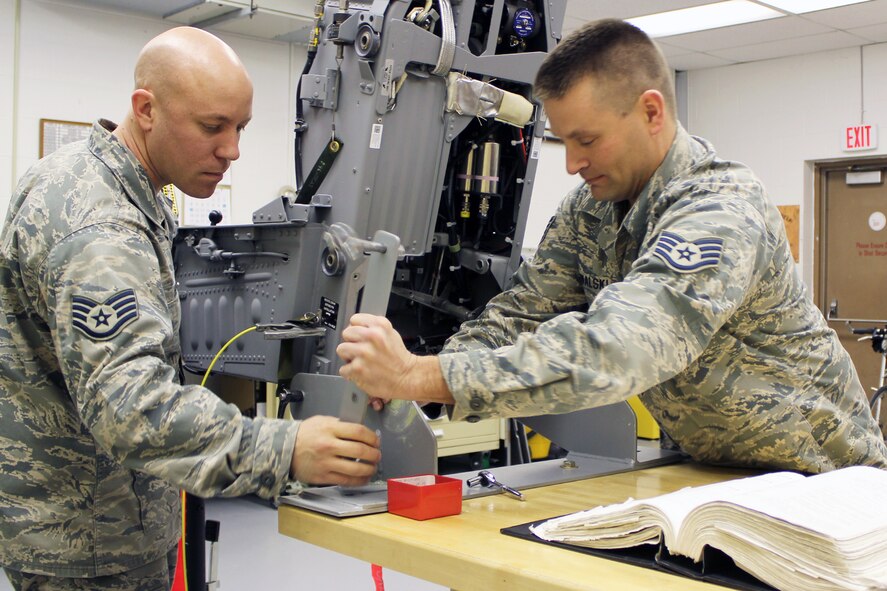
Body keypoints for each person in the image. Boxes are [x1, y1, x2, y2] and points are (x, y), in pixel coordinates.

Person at [337, 18, 887, 474]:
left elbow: (622, 346)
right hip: (713, 474)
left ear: (651, 112)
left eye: (587, 140)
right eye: (564, 141)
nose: (573, 164)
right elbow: (521, 314)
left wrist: (420, 375)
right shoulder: (590, 211)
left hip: (827, 484)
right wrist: (417, 379)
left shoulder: (720, 207)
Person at [0, 27, 381, 590]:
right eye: (212, 127)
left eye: (240, 128)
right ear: (146, 109)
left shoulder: (98, 180)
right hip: (91, 545)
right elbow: (131, 408)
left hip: (87, 521)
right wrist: (284, 447)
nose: (231, 150)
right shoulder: (103, 230)